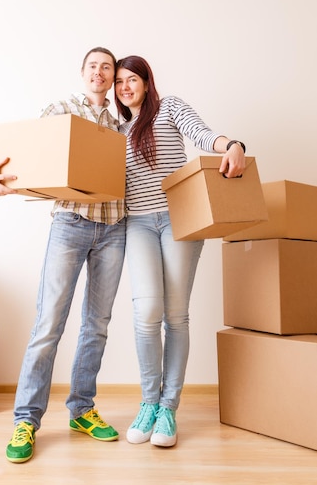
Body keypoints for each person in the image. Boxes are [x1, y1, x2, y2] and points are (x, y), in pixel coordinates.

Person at [0, 47, 126, 463]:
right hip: (71, 224)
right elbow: (28, 150)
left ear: (114, 76)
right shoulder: (61, 110)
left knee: (97, 324)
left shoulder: (124, 123)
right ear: (83, 73)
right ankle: (26, 420)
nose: (100, 72)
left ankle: (82, 410)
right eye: (93, 66)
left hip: (115, 228)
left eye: (107, 67)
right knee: (49, 323)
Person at [114, 55, 246, 448]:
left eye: (132, 78)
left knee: (175, 315)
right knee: (146, 311)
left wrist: (233, 144)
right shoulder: (116, 130)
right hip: (136, 221)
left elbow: (203, 134)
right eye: (119, 81)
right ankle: (148, 403)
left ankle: (168, 409)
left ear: (146, 81)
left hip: (179, 219)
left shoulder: (169, 107)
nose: (125, 86)